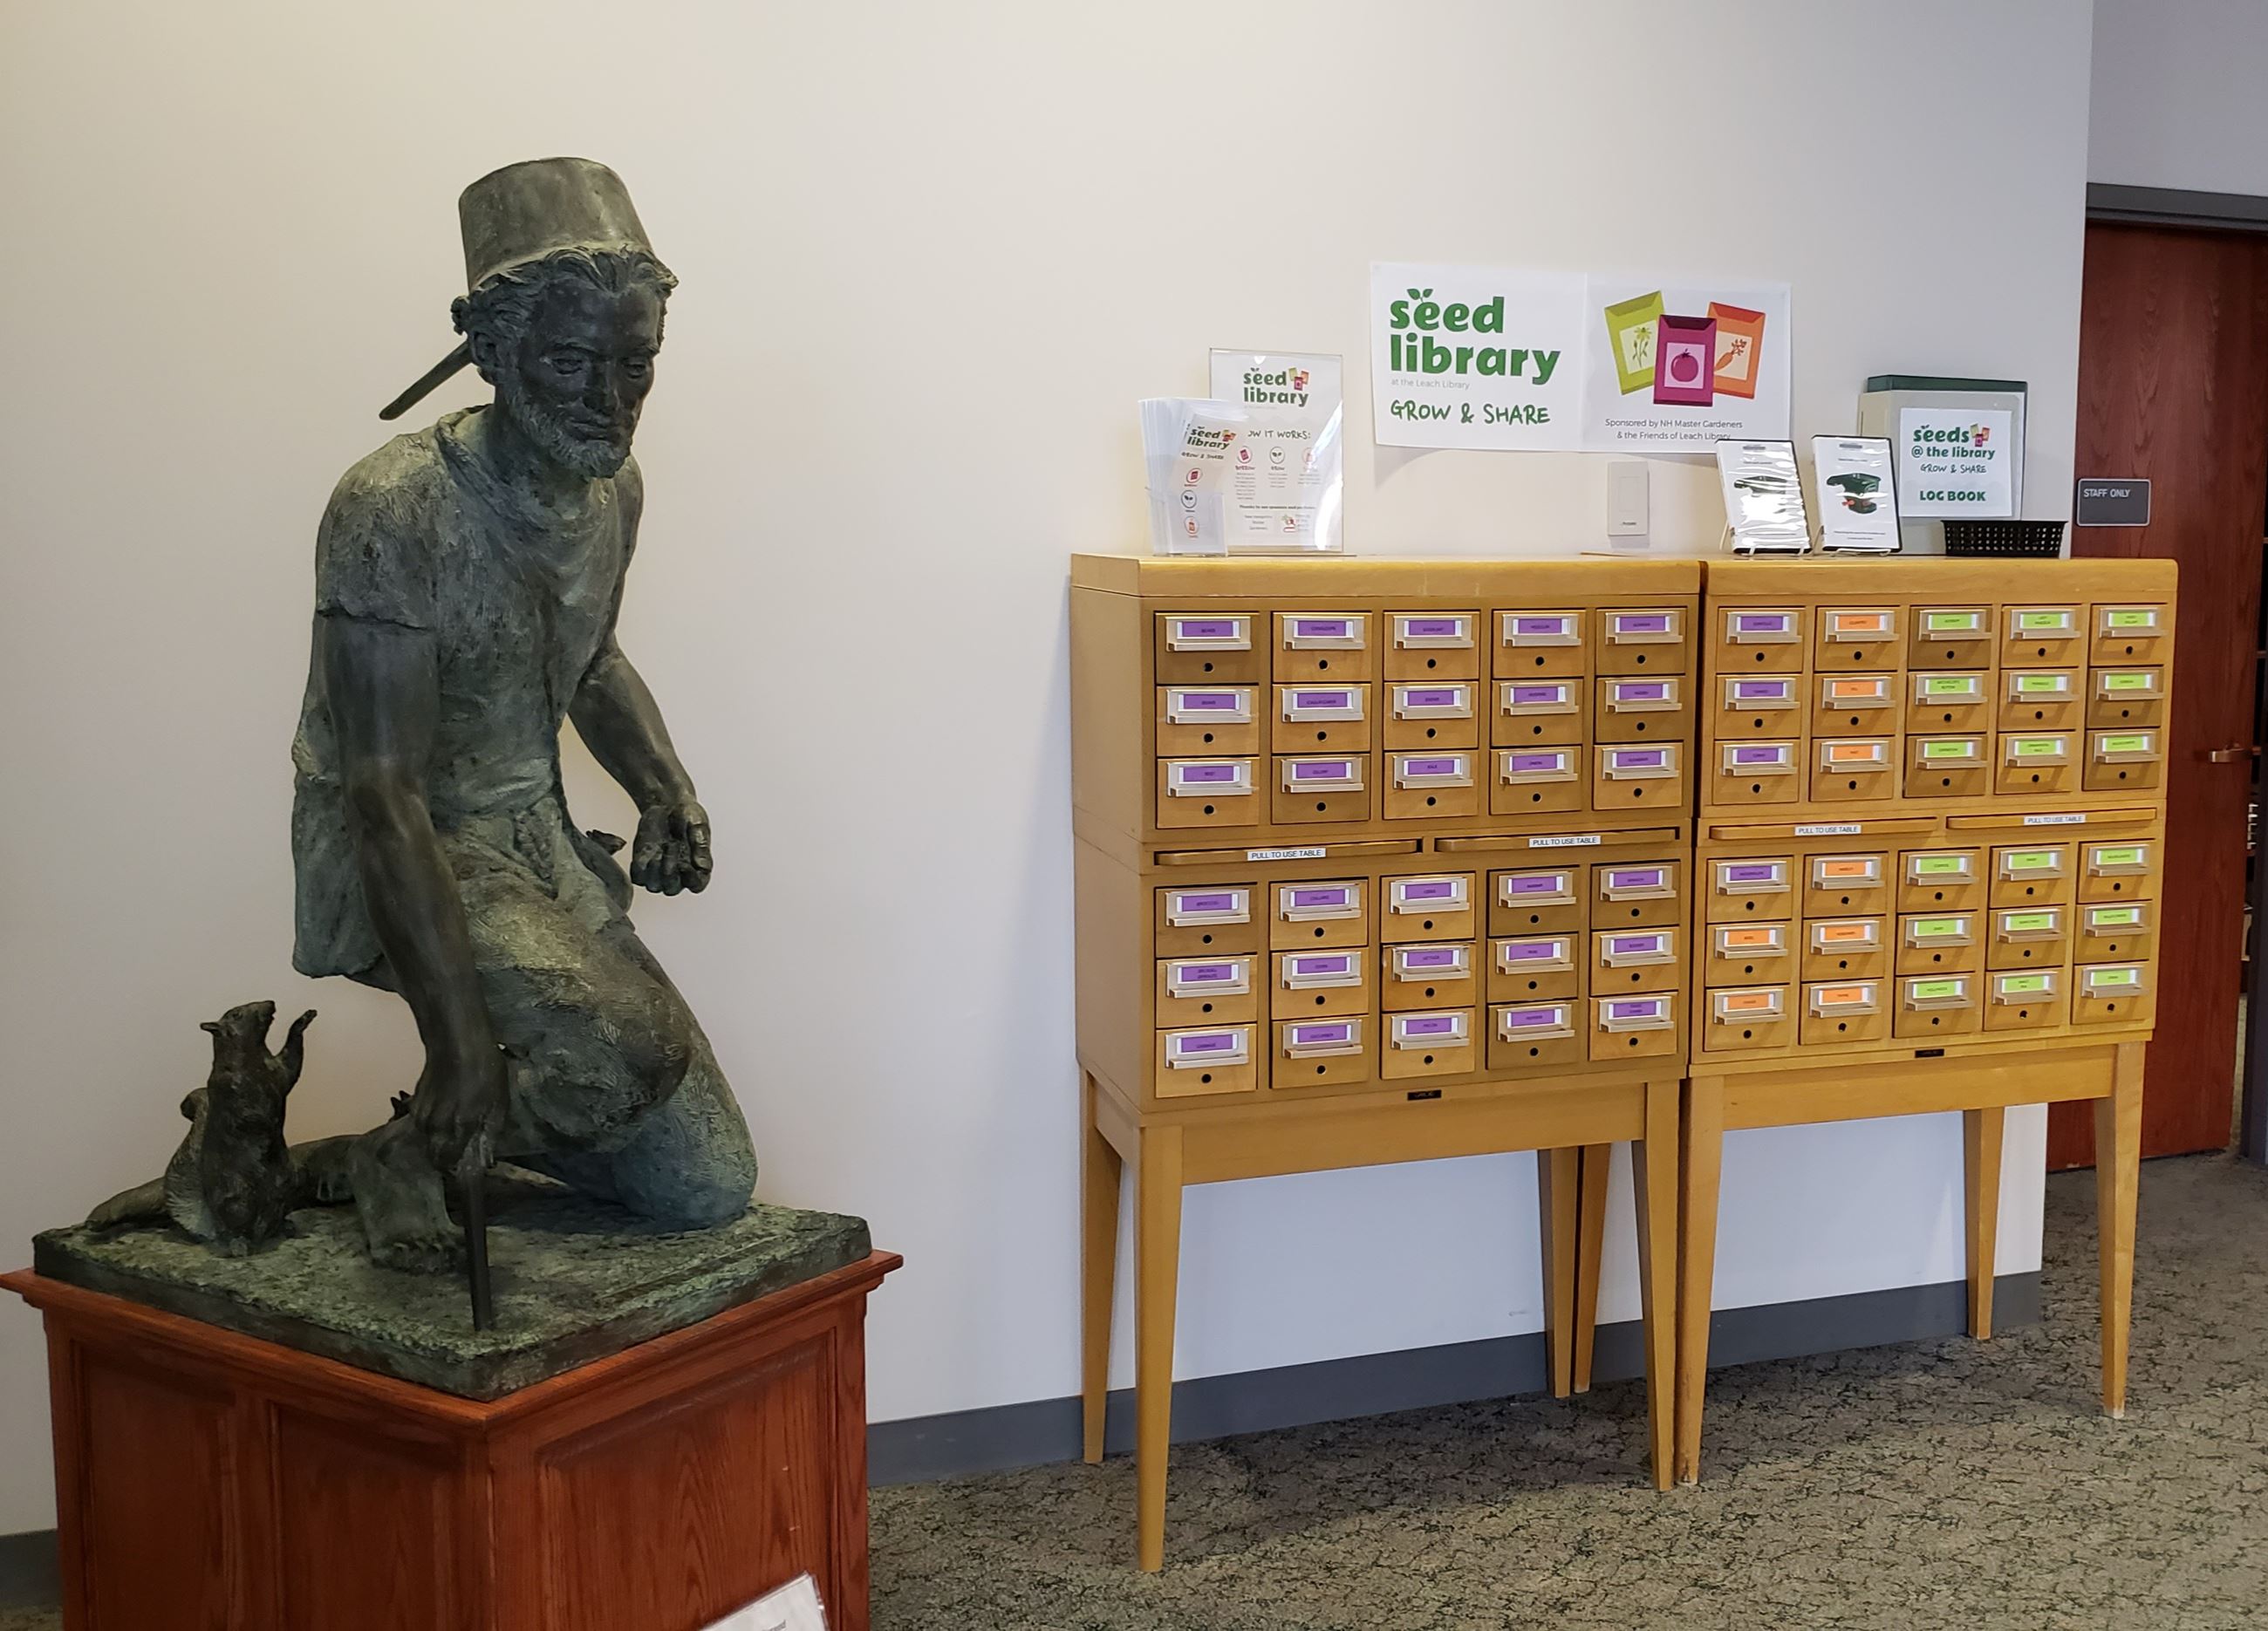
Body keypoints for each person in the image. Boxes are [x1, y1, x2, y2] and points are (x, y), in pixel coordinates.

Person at [290, 158, 756, 1270]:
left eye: (634, 366)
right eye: (568, 362)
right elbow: (381, 789)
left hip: (535, 837)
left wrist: (663, 784)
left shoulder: (610, 490)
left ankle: (407, 1149)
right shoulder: (395, 506)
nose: (608, 403)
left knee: (704, 1182)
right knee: (632, 1053)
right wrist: (455, 1040)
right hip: (418, 842)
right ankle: (437, 1129)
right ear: (489, 351)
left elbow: (587, 657)